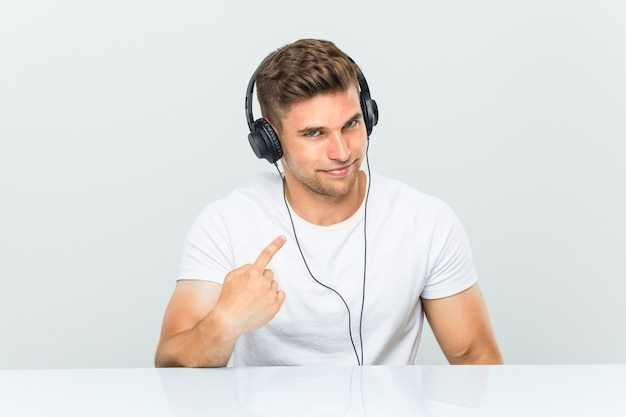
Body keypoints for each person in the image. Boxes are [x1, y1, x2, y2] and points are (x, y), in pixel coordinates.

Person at [154, 38, 503, 367]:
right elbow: (170, 362)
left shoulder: (426, 222)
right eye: (314, 133)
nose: (342, 152)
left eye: (351, 124)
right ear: (270, 143)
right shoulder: (227, 224)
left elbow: (475, 358)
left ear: (368, 115)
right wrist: (224, 323)